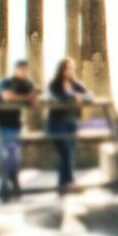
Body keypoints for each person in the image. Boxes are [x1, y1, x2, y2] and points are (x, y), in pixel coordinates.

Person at [0, 60, 39, 201]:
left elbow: (34, 102)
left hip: (15, 124)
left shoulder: (28, 84)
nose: (23, 72)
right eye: (21, 69)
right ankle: (9, 186)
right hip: (0, 123)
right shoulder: (7, 82)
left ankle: (9, 185)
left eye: (25, 69)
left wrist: (30, 99)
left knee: (13, 156)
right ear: (16, 70)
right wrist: (25, 98)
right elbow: (6, 97)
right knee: (7, 155)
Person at [47, 58, 92, 194]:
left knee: (69, 154)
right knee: (65, 152)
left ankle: (63, 185)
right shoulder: (54, 85)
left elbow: (90, 97)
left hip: (72, 123)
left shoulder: (76, 84)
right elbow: (57, 98)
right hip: (56, 124)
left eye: (71, 68)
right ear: (61, 69)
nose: (69, 71)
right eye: (66, 68)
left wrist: (81, 97)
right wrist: (74, 97)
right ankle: (70, 182)